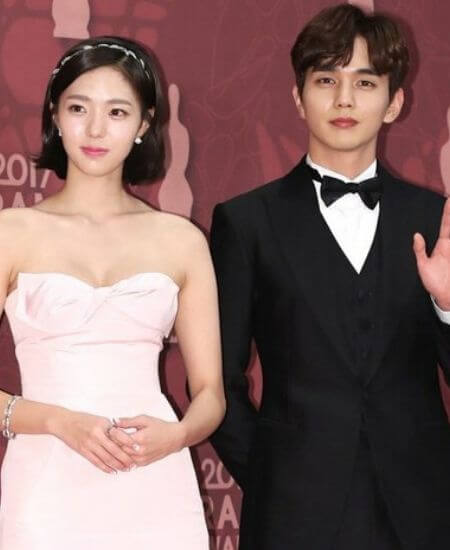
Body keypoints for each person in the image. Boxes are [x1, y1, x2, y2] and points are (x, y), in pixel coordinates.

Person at [210, 4, 450, 550]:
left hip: (424, 512)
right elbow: (215, 383)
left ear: (394, 102)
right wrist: (274, 479)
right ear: (299, 98)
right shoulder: (247, 222)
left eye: (365, 82)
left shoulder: (435, 221)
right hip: (293, 519)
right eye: (326, 80)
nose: (344, 99)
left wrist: (446, 309)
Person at [0, 35, 224, 549]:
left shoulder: (182, 241)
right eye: (79, 108)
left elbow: (210, 393)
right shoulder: (11, 233)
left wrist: (178, 435)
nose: (96, 129)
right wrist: (57, 420)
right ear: (55, 115)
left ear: (145, 124)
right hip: (47, 487)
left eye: (118, 112)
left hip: (156, 484)